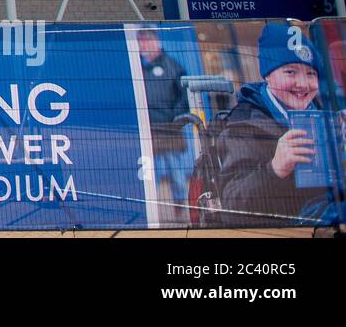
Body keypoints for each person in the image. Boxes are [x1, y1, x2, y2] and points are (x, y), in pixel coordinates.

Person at [214, 22, 337, 226]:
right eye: (291, 72)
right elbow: (232, 208)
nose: (303, 84)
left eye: (311, 73)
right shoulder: (243, 126)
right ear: (268, 75)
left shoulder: (324, 117)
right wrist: (275, 169)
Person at [136, 29, 192, 207]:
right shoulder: (137, 69)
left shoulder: (173, 66)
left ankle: (181, 203)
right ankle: (149, 204)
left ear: (156, 41)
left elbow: (185, 97)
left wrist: (173, 119)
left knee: (174, 167)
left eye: (146, 41)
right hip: (146, 129)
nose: (143, 45)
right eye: (140, 42)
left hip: (168, 129)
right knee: (147, 169)